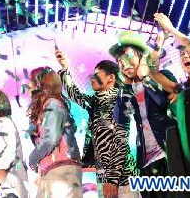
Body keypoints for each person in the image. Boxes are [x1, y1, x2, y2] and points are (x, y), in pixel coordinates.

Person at [55, 48, 137, 198]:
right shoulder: (95, 102)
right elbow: (75, 95)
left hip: (122, 178)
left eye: (97, 75)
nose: (92, 78)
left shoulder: (122, 101)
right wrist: (65, 68)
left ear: (111, 78)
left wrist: (112, 179)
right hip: (104, 178)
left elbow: (120, 140)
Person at [109, 31, 176, 189]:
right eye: (120, 61)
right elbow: (121, 119)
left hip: (170, 152)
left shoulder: (163, 76)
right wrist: (125, 88)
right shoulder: (127, 91)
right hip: (146, 159)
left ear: (141, 56)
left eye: (128, 57)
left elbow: (165, 103)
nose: (125, 65)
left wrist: (145, 78)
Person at [27, 66, 83, 198]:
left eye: (31, 81)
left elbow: (51, 139)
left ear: (41, 83)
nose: (28, 85)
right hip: (53, 170)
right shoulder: (47, 106)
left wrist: (32, 158)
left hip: (61, 169)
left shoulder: (53, 104)